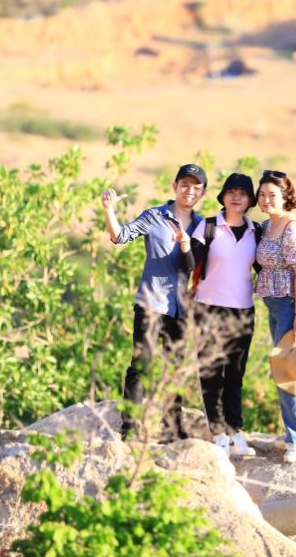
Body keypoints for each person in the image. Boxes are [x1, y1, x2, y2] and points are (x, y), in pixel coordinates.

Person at [101, 163, 207, 442]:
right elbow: (120, 236)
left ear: (203, 193)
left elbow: (193, 266)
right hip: (150, 302)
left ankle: (172, 429)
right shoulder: (154, 216)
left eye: (196, 188)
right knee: (141, 365)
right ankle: (130, 428)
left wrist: (186, 244)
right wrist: (109, 210)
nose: (189, 191)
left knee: (175, 369)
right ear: (175, 187)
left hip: (181, 308)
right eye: (184, 185)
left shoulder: (202, 226)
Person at [178, 173, 260, 458]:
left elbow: (267, 268)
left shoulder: (257, 231)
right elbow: (190, 264)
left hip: (243, 311)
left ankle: (236, 433)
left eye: (243, 193)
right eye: (231, 191)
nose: (236, 197)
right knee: (211, 373)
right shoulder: (208, 226)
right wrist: (185, 246)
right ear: (223, 196)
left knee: (236, 374)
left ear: (250, 200)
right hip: (208, 308)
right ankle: (218, 435)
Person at [254, 170, 296, 463]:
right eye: (262, 195)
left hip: (293, 305)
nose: (266, 200)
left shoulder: (291, 228)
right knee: (293, 368)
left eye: (272, 195)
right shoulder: (268, 225)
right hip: (276, 305)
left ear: (285, 197)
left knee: (287, 371)